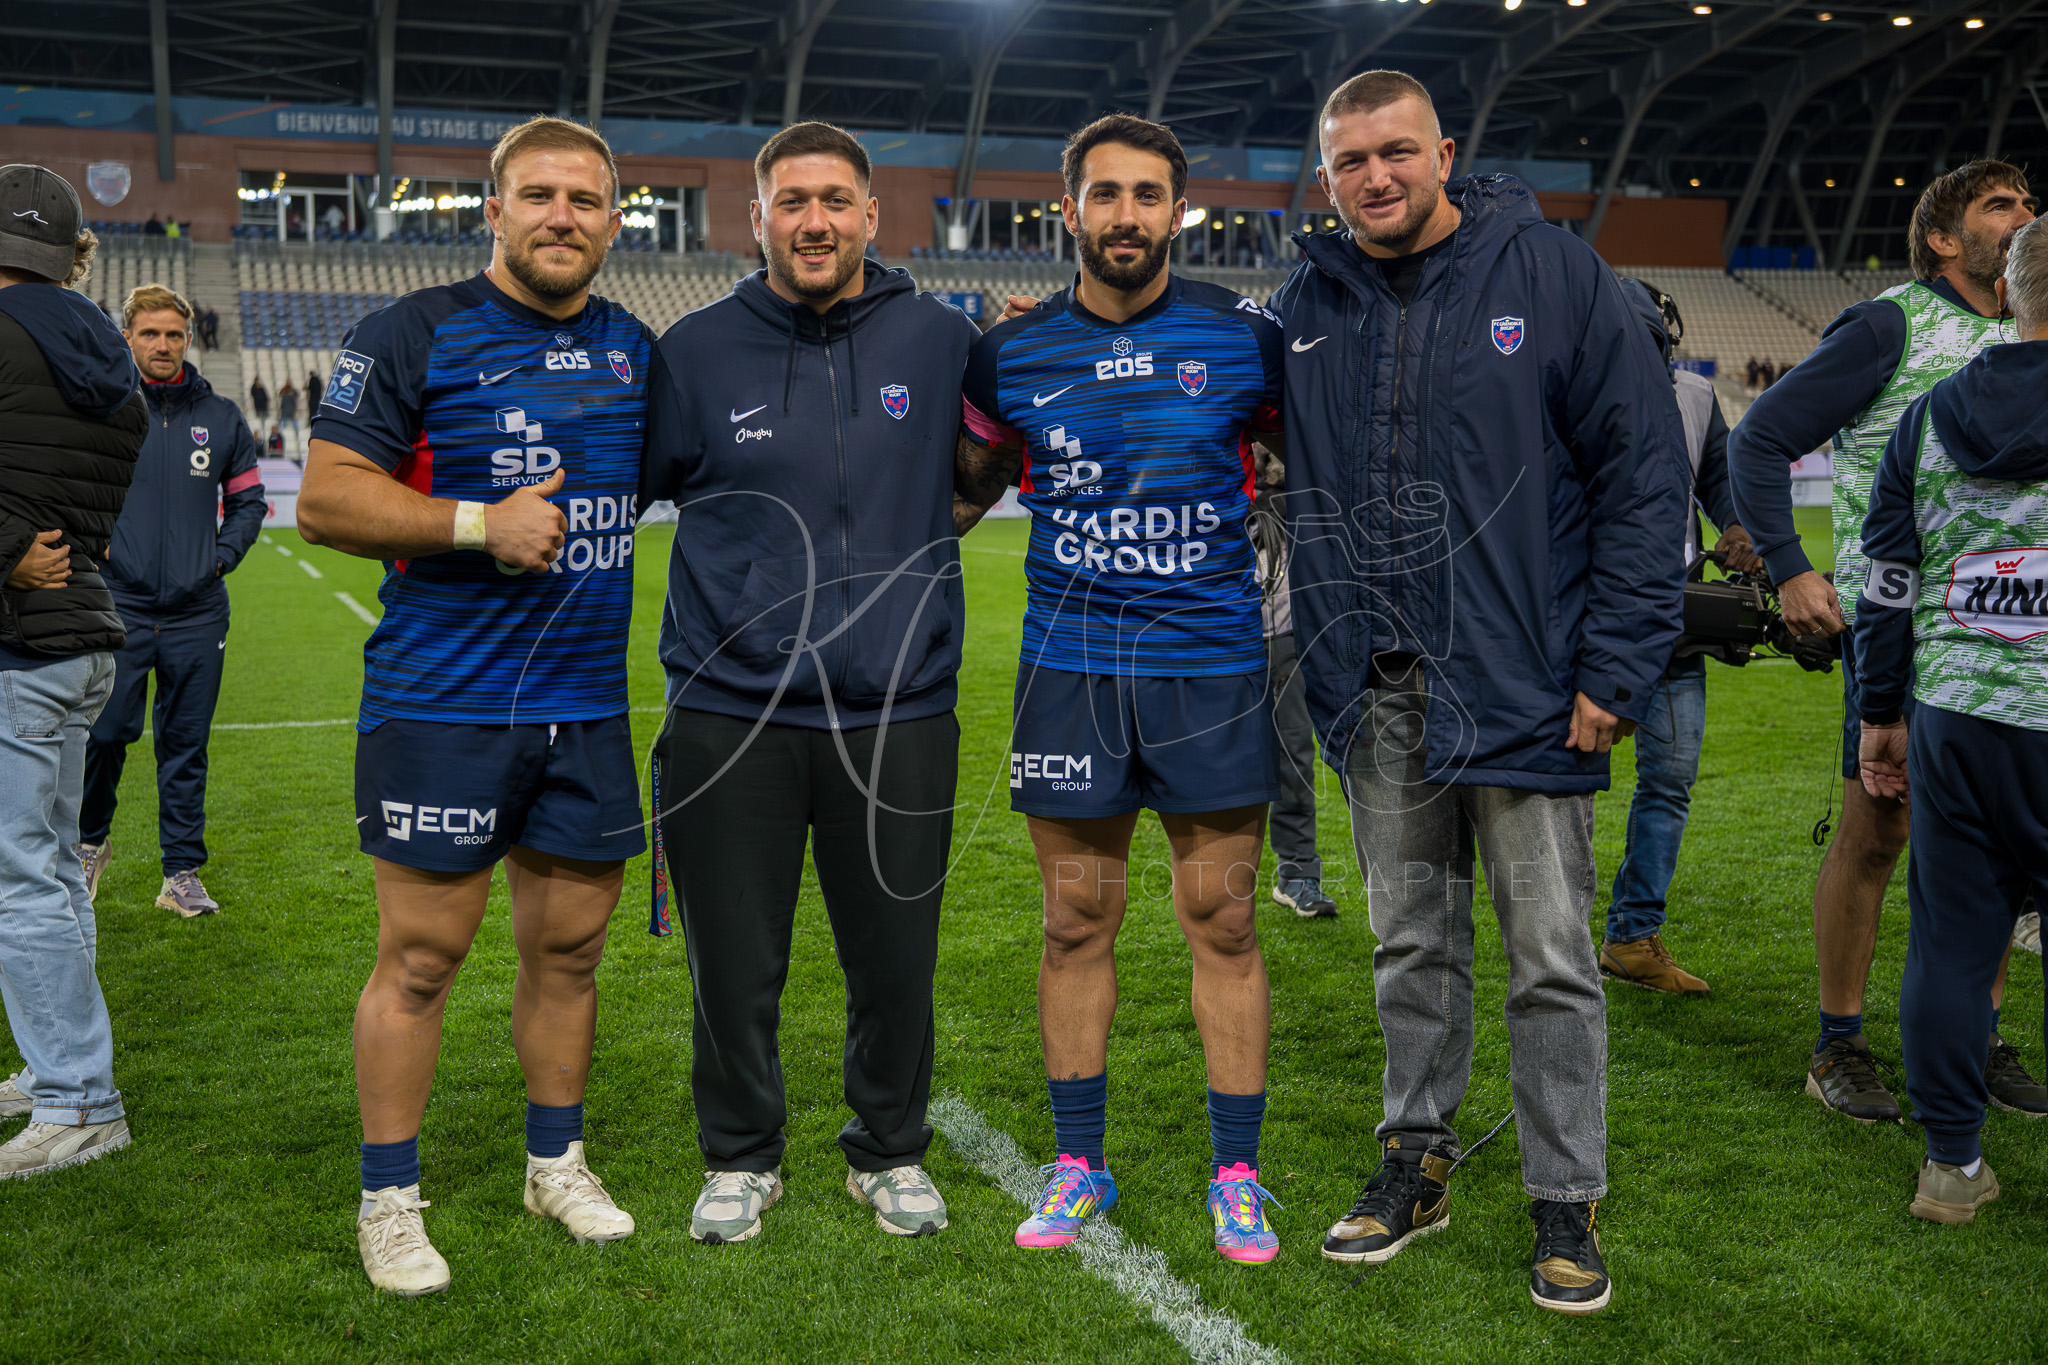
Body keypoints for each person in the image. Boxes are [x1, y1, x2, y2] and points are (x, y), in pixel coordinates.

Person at [1273, 72, 1686, 1313]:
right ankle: (1414, 1162)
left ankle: (1565, 1198)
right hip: (1376, 686)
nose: (1375, 178)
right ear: (1325, 178)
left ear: (1443, 154)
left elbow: (1641, 477)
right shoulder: (1306, 300)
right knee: (1410, 945)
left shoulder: (1556, 276)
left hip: (1526, 681)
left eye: (1395, 152)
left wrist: (1614, 666)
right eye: (1350, 162)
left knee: (1549, 957)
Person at [297, 115, 651, 1295]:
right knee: (420, 959)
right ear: (493, 211)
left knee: (571, 952)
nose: (562, 216)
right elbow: (324, 500)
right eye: (538, 195)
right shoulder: (412, 332)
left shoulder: (635, 351)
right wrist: (473, 524)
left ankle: (555, 1164)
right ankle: (389, 1199)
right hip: (441, 704)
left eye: (585, 200)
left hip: (585, 710)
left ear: (614, 221)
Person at [954, 113, 1290, 1266]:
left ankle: (1235, 1174)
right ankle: (1078, 1163)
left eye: (1148, 195)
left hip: (1210, 673)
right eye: (1105, 194)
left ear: (1177, 212)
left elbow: (1316, 473)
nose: (1126, 215)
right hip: (1070, 677)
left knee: (1224, 922)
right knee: (1073, 922)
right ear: (1068, 210)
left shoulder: (1244, 340)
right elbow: (957, 494)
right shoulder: (1006, 354)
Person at [644, 121, 979, 1247]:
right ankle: (741, 1155)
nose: (816, 221)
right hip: (728, 710)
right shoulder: (691, 351)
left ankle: (889, 1149)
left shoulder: (941, 339)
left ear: (871, 215)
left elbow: (989, 463)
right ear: (758, 218)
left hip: (898, 706)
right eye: (792, 202)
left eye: (836, 200)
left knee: (896, 957)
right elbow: (622, 492)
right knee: (733, 962)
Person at [1728, 159, 2046, 1122]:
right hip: (1899, 625)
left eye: (2029, 204)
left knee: (1997, 850)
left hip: (2010, 639)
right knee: (1877, 834)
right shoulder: (1888, 325)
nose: (2023, 215)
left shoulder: (2027, 330)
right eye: (1999, 205)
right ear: (1943, 238)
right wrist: (1792, 567)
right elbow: (1758, 438)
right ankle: (1838, 1041)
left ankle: (1976, 1035)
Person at [1851, 216, 2048, 1223]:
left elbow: (1886, 582)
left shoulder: (1928, 417)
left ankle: (1951, 1165)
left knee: (1952, 944)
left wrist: (1878, 713)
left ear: (2008, 294)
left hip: (1958, 714)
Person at [0, 164, 147, 1178]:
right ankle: (56, 1063)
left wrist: (9, 551)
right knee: (51, 870)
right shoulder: (107, 350)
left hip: (21, 639)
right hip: (83, 635)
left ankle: (79, 1096)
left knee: (22, 879)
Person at [76, 284, 264, 918]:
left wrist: (218, 559)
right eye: (150, 333)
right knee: (105, 733)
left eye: (174, 334)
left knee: (185, 744)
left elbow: (249, 502)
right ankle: (88, 844)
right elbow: (70, 487)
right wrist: (97, 546)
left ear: (189, 339)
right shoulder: (101, 408)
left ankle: (180, 874)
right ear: (127, 338)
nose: (163, 344)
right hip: (116, 604)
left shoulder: (223, 417)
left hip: (197, 610)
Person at [1597, 280, 1761, 995]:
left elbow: (1720, 478)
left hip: (1669, 622)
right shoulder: (1570, 388)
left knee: (1668, 782)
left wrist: (1737, 524)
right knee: (1561, 787)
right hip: (1593, 621)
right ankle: (1555, 938)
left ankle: (1631, 936)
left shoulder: (1693, 396)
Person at [1252, 443, 1336, 919]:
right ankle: (1216, 875)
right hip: (1220, 641)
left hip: (1286, 637)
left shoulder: (1300, 496)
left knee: (1293, 760)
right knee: (1219, 765)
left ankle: (1298, 874)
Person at [277, 379, 300, 455]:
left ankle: (296, 433)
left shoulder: (292, 391)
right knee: (285, 422)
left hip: (289, 410)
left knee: (289, 422)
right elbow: (280, 395)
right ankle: (283, 432)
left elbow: (297, 395)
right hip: (288, 410)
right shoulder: (285, 390)